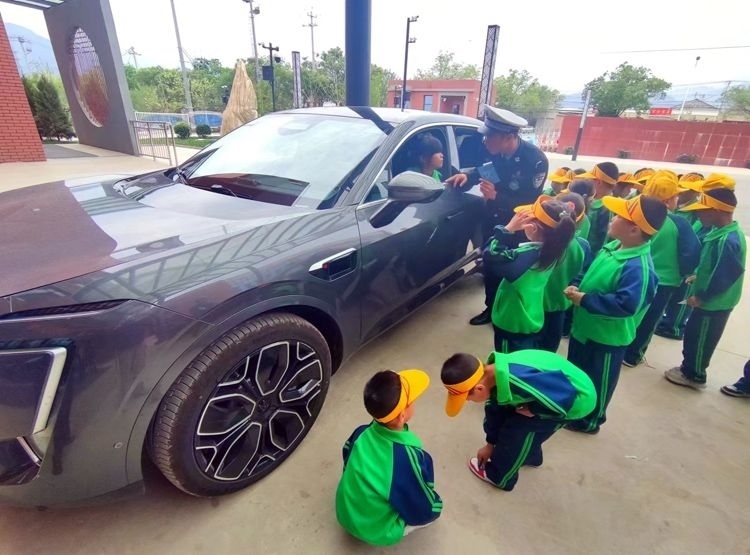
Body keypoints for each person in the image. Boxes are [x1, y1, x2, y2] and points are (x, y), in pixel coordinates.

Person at [563, 195, 667, 434]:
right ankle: (574, 407)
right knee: (577, 373)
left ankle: (590, 420)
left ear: (634, 230)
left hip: (606, 339)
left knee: (598, 380)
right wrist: (578, 286)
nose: (613, 218)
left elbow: (626, 306)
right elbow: (592, 274)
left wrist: (585, 300)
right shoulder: (613, 247)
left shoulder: (638, 267)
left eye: (619, 216)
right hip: (585, 329)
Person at [446, 106, 549, 326]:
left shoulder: (535, 159)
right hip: (493, 221)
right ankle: (491, 308)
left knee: (512, 271)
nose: (485, 141)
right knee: (491, 266)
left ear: (508, 137)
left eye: (490, 136)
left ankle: (510, 313)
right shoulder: (497, 152)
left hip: (519, 226)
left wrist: (497, 196)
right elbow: (485, 170)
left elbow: (531, 201)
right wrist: (467, 176)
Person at [439, 350, 596, 491]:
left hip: (575, 400)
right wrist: (490, 444)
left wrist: (534, 409)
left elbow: (564, 396)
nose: (467, 401)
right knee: (508, 415)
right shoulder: (492, 374)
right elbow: (494, 410)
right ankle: (530, 456)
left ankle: (500, 477)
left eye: (467, 399)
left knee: (516, 430)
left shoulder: (518, 380)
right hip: (552, 391)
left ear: (479, 388)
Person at [335, 369, 442, 546]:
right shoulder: (404, 459)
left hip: (344, 514)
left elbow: (346, 455)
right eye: (411, 401)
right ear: (402, 416)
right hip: (375, 531)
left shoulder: (361, 432)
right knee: (422, 511)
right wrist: (435, 508)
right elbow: (419, 504)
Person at [664, 187, 746, 390]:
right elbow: (713, 265)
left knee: (701, 339)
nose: (698, 215)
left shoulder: (727, 240)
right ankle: (689, 367)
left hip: (713, 304)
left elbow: (723, 276)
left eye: (702, 210)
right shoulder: (720, 233)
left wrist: (701, 297)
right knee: (694, 334)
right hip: (710, 302)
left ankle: (694, 374)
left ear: (716, 211)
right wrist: (699, 275)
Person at [623, 171, 701, 367]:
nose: (677, 200)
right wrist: (684, 272)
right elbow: (691, 253)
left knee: (630, 312)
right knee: (650, 318)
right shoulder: (679, 223)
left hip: (632, 273)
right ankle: (633, 355)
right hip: (664, 281)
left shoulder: (633, 214)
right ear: (667, 201)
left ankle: (621, 346)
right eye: (675, 196)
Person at [483, 196, 576, 352]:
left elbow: (489, 255)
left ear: (532, 228)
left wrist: (507, 229)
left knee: (509, 361)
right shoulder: (555, 249)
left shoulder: (527, 257)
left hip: (513, 322)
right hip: (529, 314)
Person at [539, 192, 592, 353]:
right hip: (559, 304)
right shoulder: (582, 245)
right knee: (549, 347)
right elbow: (580, 274)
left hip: (534, 304)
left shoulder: (539, 243)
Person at [576, 161, 620, 257]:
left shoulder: (606, 207)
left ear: (598, 182)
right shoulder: (592, 201)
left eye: (591, 179)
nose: (589, 181)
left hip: (589, 257)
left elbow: (603, 240)